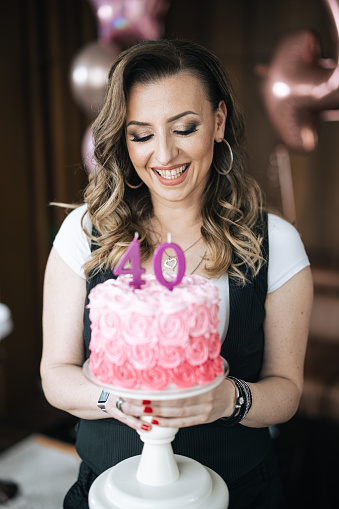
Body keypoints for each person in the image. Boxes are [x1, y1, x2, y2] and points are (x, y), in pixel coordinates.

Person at [40, 39, 313, 509]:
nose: (164, 155)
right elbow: (55, 373)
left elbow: (285, 390)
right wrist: (116, 400)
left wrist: (228, 399)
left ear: (219, 122)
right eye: (141, 135)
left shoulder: (277, 241)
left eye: (184, 128)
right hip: (111, 494)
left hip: (241, 492)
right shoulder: (84, 232)